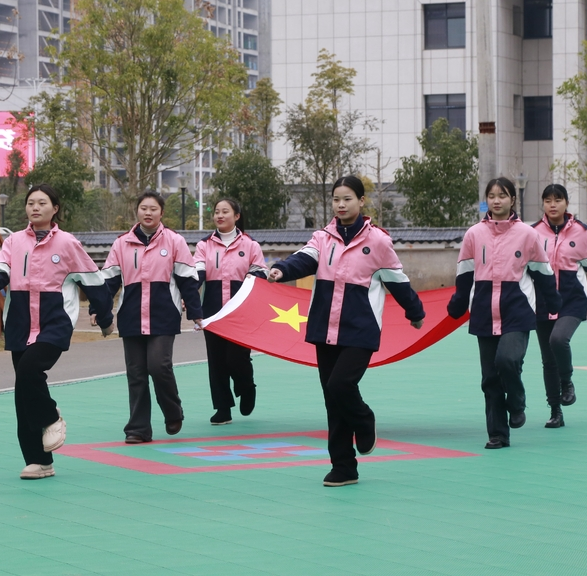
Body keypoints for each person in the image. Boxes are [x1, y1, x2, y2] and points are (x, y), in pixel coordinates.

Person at [267, 176, 425, 487]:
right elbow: (303, 260)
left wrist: (415, 312)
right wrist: (281, 270)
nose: (341, 204)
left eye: (348, 199)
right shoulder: (322, 238)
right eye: (336, 199)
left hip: (360, 331)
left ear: (361, 202)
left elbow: (398, 281)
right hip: (324, 328)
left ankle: (365, 421)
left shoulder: (378, 242)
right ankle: (343, 467)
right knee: (332, 398)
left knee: (341, 385)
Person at [0, 184, 115, 480]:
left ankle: (51, 416)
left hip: (54, 323)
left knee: (29, 371)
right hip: (21, 324)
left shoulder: (67, 243)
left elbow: (93, 281)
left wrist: (105, 318)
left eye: (42, 203)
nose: (35, 208)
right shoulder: (14, 242)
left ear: (55, 208)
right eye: (30, 203)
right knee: (23, 393)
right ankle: (39, 461)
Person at [447, 177, 562, 450]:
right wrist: (459, 302)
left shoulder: (527, 234)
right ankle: (498, 434)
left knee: (508, 360)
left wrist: (553, 302)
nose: (497, 200)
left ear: (513, 200)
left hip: (517, 311)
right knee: (490, 378)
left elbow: (543, 273)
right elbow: (464, 273)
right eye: (492, 196)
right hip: (484, 312)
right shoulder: (474, 234)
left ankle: (518, 401)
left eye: (503, 195)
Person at [93, 191, 203, 444]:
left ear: (161, 213)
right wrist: (98, 309)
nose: (148, 213)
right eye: (144, 208)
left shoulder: (175, 241)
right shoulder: (121, 243)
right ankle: (138, 428)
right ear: (137, 212)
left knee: (158, 365)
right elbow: (108, 281)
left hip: (164, 315)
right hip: (131, 316)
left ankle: (173, 411)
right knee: (136, 373)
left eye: (153, 208)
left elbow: (188, 280)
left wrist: (196, 313)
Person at [531, 184, 587, 428]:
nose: (553, 205)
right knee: (548, 360)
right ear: (543, 205)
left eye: (558, 200)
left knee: (558, 340)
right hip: (542, 301)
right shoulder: (533, 232)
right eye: (548, 200)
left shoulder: (581, 232)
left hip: (572, 300)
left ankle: (567, 381)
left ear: (566, 203)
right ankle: (555, 410)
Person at [194, 198, 268, 426]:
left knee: (237, 359)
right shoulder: (204, 245)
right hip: (213, 312)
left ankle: (247, 387)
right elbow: (196, 274)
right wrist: (189, 298)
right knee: (216, 362)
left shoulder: (250, 245)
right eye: (217, 211)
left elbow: (261, 274)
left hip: (241, 313)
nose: (220, 215)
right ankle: (222, 408)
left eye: (225, 211)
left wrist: (253, 279)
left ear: (236, 216)